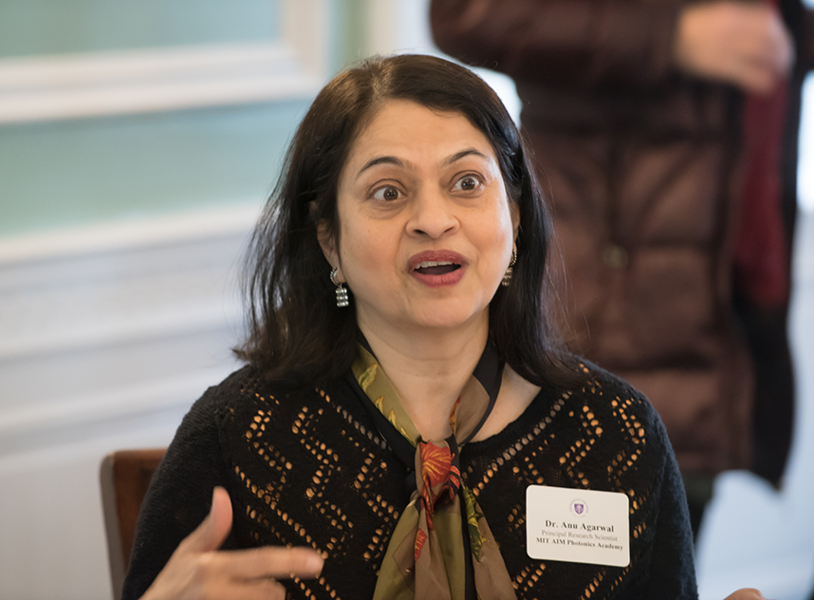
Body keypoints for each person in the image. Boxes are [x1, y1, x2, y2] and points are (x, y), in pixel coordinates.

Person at [117, 54, 765, 600]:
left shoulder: (618, 433)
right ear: (329, 241)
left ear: (513, 219)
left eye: (466, 182)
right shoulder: (237, 436)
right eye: (388, 192)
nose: (433, 219)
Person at [430, 0, 814, 539]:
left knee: (672, 558)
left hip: (722, 306)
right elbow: (468, 13)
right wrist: (670, 37)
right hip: (602, 301)